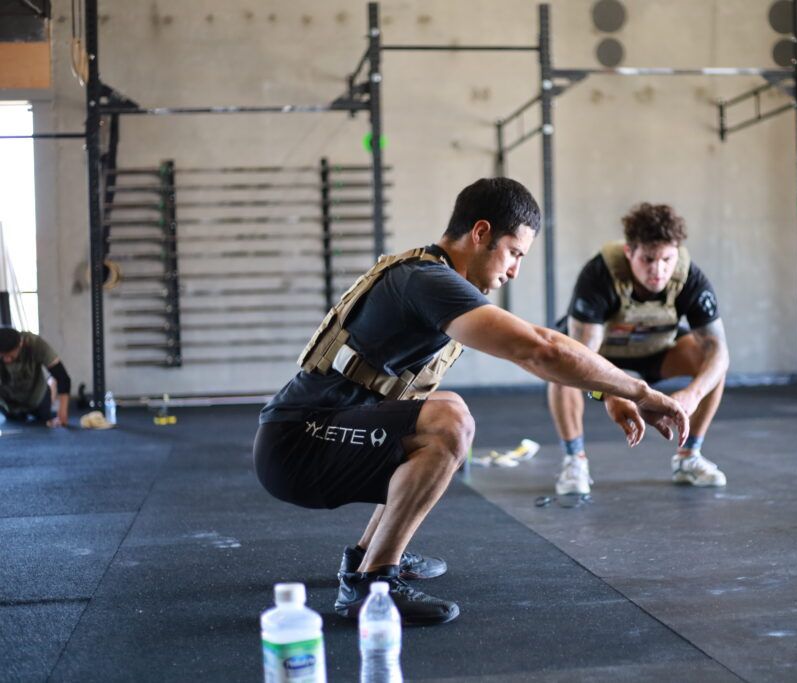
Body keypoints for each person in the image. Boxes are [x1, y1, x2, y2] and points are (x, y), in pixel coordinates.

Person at [253, 178, 688, 626]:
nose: (515, 270)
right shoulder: (428, 281)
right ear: (481, 233)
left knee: (435, 411)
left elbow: (543, 351)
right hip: (297, 444)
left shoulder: (429, 275)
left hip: (308, 434)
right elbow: (541, 348)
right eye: (515, 253)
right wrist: (638, 390)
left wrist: (604, 389)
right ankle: (371, 588)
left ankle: (367, 557)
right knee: (449, 421)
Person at [547, 202, 729, 495]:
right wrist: (610, 391)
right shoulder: (598, 276)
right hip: (602, 356)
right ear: (629, 252)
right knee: (560, 368)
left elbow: (719, 351)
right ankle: (574, 460)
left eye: (667, 259)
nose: (658, 270)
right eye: (648, 259)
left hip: (657, 349)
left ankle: (688, 456)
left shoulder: (690, 278)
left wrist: (692, 394)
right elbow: (581, 359)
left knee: (712, 365)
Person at [0, 325, 71, 428]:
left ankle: (51, 384)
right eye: (2, 356)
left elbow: (62, 377)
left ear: (21, 344)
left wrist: (62, 411)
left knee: (43, 427)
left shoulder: (35, 344)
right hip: (9, 401)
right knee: (17, 427)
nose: (7, 360)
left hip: (37, 396)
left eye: (11, 356)